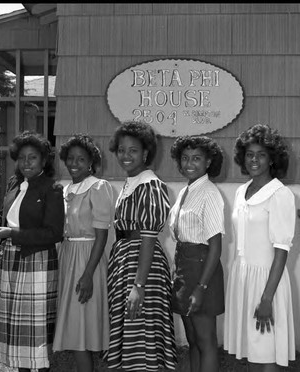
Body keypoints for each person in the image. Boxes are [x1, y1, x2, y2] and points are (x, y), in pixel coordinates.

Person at [0, 131, 65, 372]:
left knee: (36, 330)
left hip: (38, 261)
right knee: (17, 329)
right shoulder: (14, 184)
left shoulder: (52, 189)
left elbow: (53, 233)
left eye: (32, 158)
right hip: (12, 259)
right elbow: (8, 220)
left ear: (44, 160)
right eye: (22, 158)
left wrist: (12, 234)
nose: (26, 163)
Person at [105, 120, 177, 371]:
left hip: (142, 267)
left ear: (146, 153)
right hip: (125, 262)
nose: (126, 155)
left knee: (142, 333)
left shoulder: (151, 185)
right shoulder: (131, 183)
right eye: (122, 150)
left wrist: (139, 285)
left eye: (133, 150)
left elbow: (148, 238)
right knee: (130, 332)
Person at [224, 124, 296, 371]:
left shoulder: (280, 195)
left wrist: (267, 298)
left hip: (267, 281)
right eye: (249, 154)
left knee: (266, 351)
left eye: (261, 154)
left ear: (273, 159)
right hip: (243, 277)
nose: (254, 159)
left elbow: (281, 251)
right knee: (251, 350)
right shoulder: (241, 191)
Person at [53, 134, 115, 372]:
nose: (74, 163)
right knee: (76, 328)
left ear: (91, 162)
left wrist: (88, 274)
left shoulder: (98, 187)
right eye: (70, 158)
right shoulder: (67, 189)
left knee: (82, 330)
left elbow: (101, 237)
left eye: (81, 159)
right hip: (68, 256)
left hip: (88, 258)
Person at [168, 135, 225, 372]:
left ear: (208, 162)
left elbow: (215, 245)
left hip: (202, 271)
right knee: (192, 339)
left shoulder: (209, 193)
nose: (189, 163)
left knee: (205, 341)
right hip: (184, 268)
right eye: (185, 158)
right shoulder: (186, 191)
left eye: (197, 158)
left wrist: (201, 288)